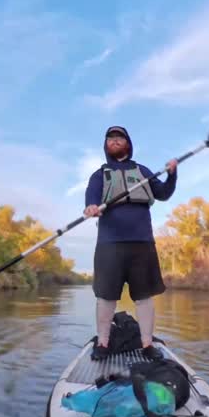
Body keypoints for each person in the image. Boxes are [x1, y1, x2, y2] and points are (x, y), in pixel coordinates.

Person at [83, 125, 177, 360]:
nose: (114, 141)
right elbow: (91, 199)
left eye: (119, 137)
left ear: (127, 143)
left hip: (142, 244)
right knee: (106, 297)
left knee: (144, 297)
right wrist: (91, 207)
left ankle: (147, 344)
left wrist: (172, 174)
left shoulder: (143, 171)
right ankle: (103, 344)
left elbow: (164, 193)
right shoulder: (99, 174)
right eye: (110, 138)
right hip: (109, 244)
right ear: (106, 145)